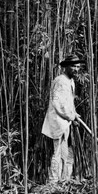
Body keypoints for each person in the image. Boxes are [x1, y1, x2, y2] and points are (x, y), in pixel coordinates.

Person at [41, 53, 85, 184]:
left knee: (68, 152)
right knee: (58, 152)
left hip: (66, 121)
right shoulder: (60, 81)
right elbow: (57, 103)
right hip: (58, 121)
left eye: (78, 67)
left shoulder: (70, 81)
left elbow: (69, 103)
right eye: (73, 67)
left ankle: (65, 180)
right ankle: (53, 182)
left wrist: (74, 115)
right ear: (65, 67)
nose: (76, 69)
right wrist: (71, 116)